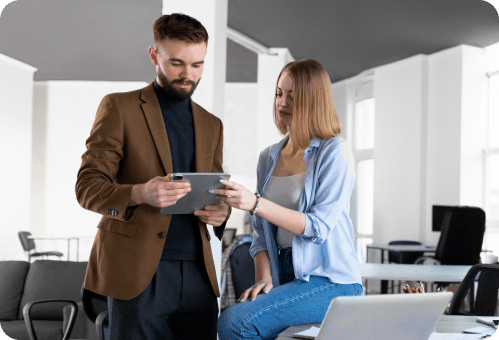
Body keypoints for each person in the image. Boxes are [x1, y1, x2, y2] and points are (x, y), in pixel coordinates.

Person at [75, 13, 230, 340]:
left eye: (197, 65)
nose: (188, 75)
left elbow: (214, 193)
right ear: (153, 55)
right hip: (138, 274)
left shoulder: (211, 124)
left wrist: (221, 213)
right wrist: (139, 194)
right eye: (177, 63)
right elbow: (87, 188)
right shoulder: (119, 107)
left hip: (199, 275)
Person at [216, 59, 362, 340]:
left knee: (235, 323)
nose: (281, 103)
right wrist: (264, 278)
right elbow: (260, 234)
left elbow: (318, 226)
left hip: (331, 281)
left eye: (293, 97)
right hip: (283, 274)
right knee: (244, 321)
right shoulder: (268, 157)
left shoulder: (334, 152)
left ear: (313, 101)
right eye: (279, 93)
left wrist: (256, 203)